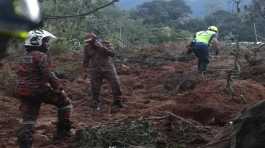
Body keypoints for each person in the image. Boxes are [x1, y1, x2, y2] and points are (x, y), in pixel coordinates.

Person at [15, 30, 72, 148]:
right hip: (38, 90)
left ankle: (25, 144)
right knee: (65, 103)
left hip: (23, 91)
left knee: (29, 118)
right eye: (45, 41)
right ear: (37, 41)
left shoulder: (24, 57)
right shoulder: (41, 55)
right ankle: (63, 133)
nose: (47, 44)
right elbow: (48, 74)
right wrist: (59, 88)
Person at [83, 32, 123, 112]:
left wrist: (102, 47)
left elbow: (112, 54)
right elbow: (86, 60)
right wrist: (85, 70)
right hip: (95, 70)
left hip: (108, 68)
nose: (89, 43)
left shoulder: (106, 44)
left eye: (91, 41)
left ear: (95, 39)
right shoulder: (87, 47)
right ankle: (95, 104)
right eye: (88, 41)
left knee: (115, 84)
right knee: (95, 88)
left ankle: (117, 102)